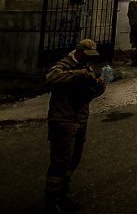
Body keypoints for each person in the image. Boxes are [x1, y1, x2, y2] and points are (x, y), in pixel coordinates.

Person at [44, 38, 106, 214]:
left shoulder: (87, 67)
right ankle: (52, 200)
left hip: (80, 119)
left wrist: (99, 87)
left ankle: (62, 195)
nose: (89, 59)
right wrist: (79, 74)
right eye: (86, 55)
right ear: (78, 52)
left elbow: (89, 93)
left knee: (73, 160)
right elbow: (51, 78)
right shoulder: (64, 65)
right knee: (60, 162)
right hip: (63, 120)